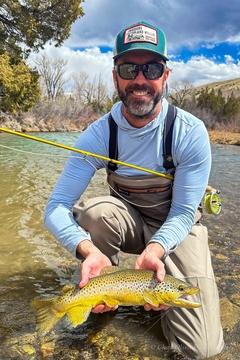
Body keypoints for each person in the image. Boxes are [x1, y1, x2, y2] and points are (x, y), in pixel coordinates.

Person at [44, 21, 224, 359]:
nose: (140, 79)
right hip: (126, 222)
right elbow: (55, 207)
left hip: (177, 228)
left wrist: (156, 249)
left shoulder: (189, 132)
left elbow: (185, 212)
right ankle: (101, 287)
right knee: (94, 213)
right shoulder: (98, 135)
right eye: (129, 68)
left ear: (165, 76)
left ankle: (142, 296)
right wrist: (87, 250)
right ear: (116, 76)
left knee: (202, 349)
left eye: (151, 68)